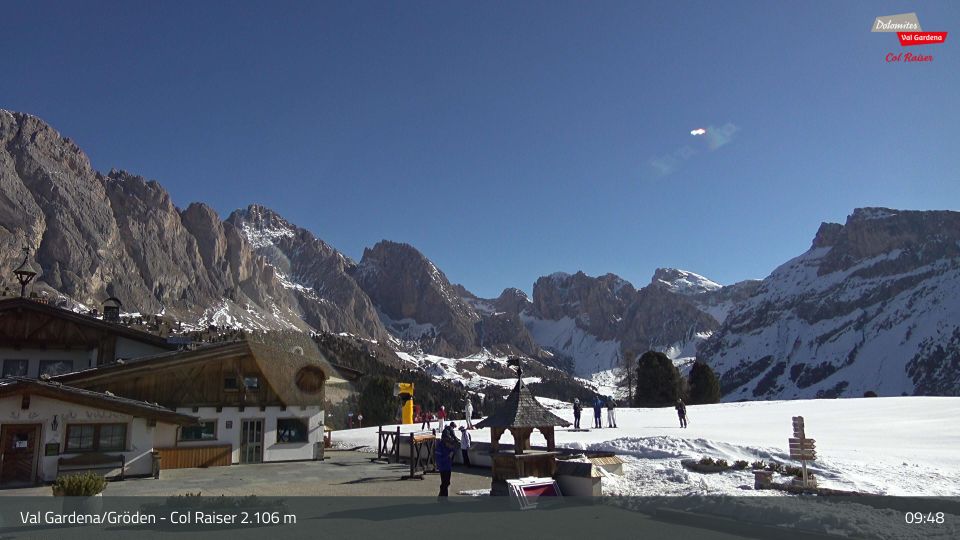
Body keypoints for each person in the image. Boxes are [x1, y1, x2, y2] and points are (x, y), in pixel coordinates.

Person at [435, 422, 459, 499]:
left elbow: (454, 448)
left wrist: (453, 449)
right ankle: (443, 498)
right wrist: (448, 456)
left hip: (448, 466)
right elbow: (439, 458)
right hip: (443, 467)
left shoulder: (448, 445)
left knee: (447, 482)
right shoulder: (440, 446)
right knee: (444, 483)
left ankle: (441, 497)